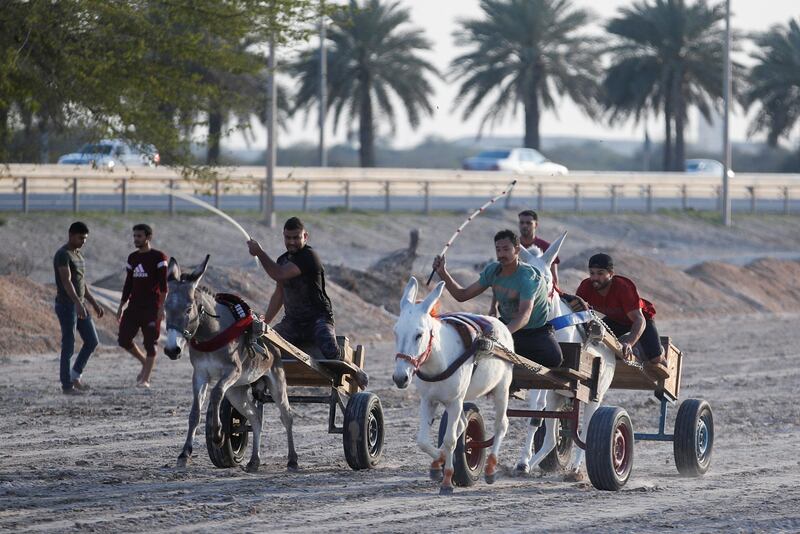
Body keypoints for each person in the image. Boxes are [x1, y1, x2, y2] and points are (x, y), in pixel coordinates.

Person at [432, 229, 563, 368]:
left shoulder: (528, 277)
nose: (501, 254)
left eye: (506, 249)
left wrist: (501, 335)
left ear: (517, 249)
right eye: (498, 250)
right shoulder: (493, 271)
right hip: (508, 327)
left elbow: (524, 315)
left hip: (535, 332)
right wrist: (443, 272)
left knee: (555, 359)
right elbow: (461, 295)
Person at [575, 253, 667, 365]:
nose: (595, 278)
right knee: (594, 340)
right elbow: (576, 309)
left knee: (655, 359)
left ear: (611, 274)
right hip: (615, 320)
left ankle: (655, 349)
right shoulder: (586, 287)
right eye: (592, 273)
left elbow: (639, 319)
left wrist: (629, 343)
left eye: (600, 273)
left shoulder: (623, 288)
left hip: (640, 320)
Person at [53, 221, 104, 395]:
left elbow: (82, 284)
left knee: (92, 341)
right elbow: (66, 282)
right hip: (67, 305)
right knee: (68, 345)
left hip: (79, 304)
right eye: (81, 238)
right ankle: (66, 386)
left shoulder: (79, 256)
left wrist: (94, 303)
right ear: (71, 235)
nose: (83, 241)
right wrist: (77, 303)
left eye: (85, 238)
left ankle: (75, 376)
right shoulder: (63, 255)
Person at [116, 224, 168, 388]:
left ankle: (145, 379)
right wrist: (121, 305)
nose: (136, 239)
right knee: (123, 339)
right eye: (134, 236)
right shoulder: (132, 258)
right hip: (134, 307)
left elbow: (164, 286)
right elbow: (128, 283)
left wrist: (161, 308)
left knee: (150, 343)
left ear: (148, 237)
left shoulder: (159, 257)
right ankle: (145, 362)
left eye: (139, 236)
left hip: (152, 307)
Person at [518, 210, 560, 287]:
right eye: (522, 222)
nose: (524, 225)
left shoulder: (546, 247)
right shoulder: (512, 247)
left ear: (536, 224)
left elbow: (554, 277)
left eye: (528, 223)